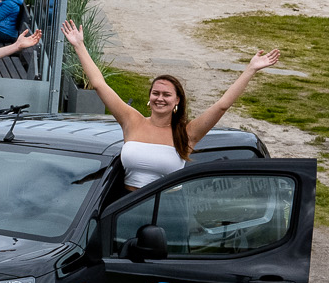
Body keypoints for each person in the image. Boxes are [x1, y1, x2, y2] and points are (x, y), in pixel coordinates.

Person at [63, 22, 277, 189]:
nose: (160, 98)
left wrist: (250, 70)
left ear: (177, 101)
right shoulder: (131, 120)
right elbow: (100, 85)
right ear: (149, 97)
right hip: (125, 206)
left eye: (167, 94)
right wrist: (79, 45)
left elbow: (222, 105)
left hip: (168, 211)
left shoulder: (187, 133)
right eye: (155, 93)